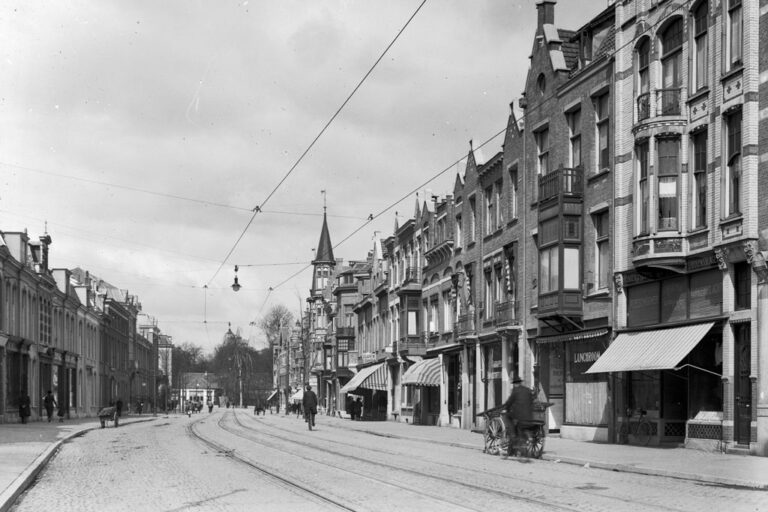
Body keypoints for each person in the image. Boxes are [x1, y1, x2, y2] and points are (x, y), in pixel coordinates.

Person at [502, 376, 534, 457]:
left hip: (519, 415)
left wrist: (506, 408)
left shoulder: (515, 391)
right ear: (520, 383)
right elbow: (531, 401)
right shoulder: (527, 390)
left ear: (515, 384)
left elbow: (510, 401)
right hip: (529, 415)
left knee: (506, 417)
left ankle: (512, 434)